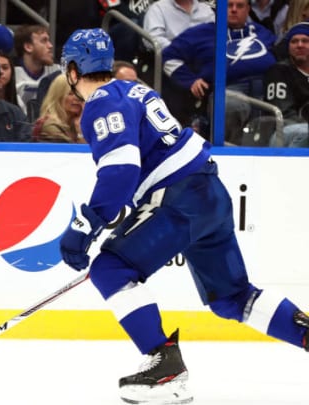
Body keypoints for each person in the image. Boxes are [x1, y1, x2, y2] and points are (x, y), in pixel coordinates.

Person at [58, 27, 309, 404]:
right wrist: (121, 208)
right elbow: (142, 164)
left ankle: (164, 368)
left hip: (180, 198)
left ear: (73, 71)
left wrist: (86, 225)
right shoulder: (137, 90)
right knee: (232, 297)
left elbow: (121, 169)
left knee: (111, 269)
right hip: (207, 191)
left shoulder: (100, 103)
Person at [163, 0, 277, 144]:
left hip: (266, 87)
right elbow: (168, 56)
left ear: (248, 9)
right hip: (227, 89)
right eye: (229, 6)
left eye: (240, 6)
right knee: (231, 106)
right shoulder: (200, 33)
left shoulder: (262, 32)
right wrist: (190, 80)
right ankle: (228, 150)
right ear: (220, 9)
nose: (234, 10)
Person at [263, 22, 309, 147]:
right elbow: (284, 113)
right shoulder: (279, 71)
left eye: (305, 41)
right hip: (286, 130)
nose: (300, 45)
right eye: (294, 41)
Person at [13, 24, 61, 114]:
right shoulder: (11, 72)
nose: (50, 46)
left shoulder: (57, 71)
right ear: (28, 47)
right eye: (44, 41)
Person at [142, 0, 215, 50]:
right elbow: (152, 39)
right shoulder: (158, 9)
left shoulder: (205, 9)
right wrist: (178, 50)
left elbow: (215, 36)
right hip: (171, 61)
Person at [31, 73, 83, 143]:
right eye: (71, 93)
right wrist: (80, 134)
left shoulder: (73, 125)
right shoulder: (49, 127)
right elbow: (69, 152)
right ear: (58, 96)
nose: (77, 98)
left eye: (79, 93)